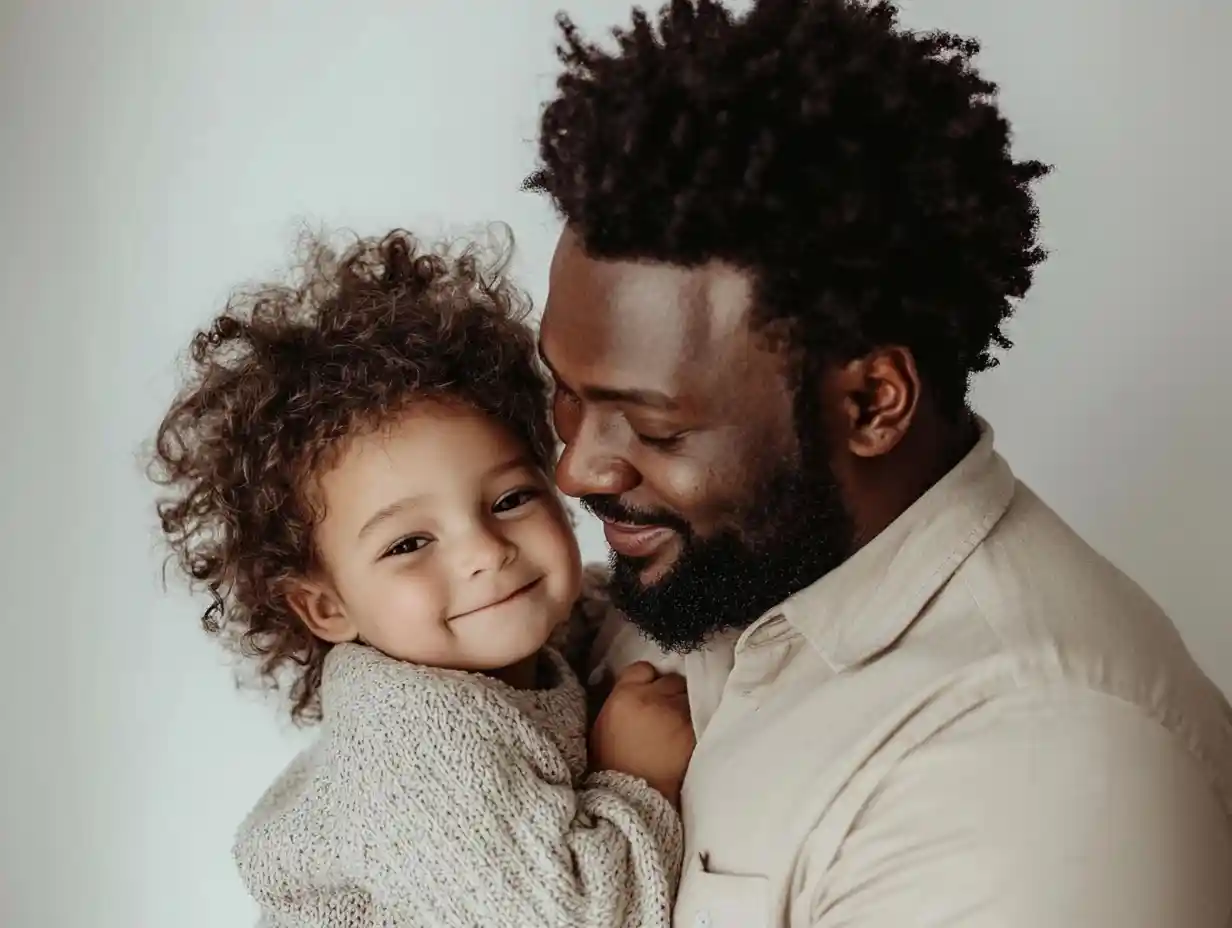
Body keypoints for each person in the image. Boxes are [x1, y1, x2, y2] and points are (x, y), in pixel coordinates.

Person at [525, 1, 1232, 925]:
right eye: (568, 393)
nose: (576, 468)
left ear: (870, 405)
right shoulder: (702, 574)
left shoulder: (1038, 776)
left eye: (653, 428)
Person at [148, 229, 692, 927]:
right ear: (325, 605)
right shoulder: (419, 742)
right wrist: (637, 779)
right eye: (409, 543)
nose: (484, 553)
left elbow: (580, 611)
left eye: (510, 501)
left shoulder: (500, 647)